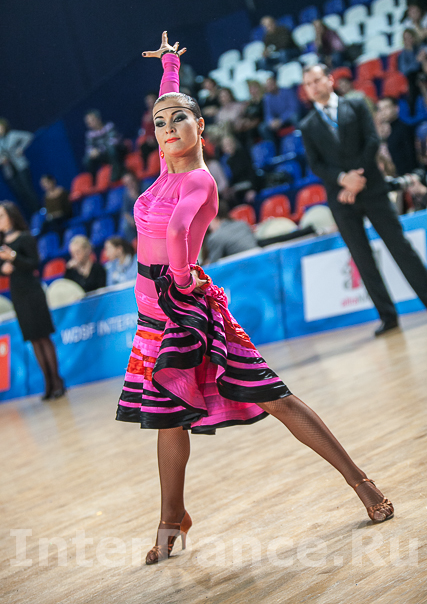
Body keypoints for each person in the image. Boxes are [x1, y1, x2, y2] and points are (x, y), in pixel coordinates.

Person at [116, 33, 394, 567]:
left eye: (179, 120)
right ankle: (172, 518)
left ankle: (361, 482)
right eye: (159, 123)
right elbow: (170, 103)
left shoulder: (198, 181)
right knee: (167, 417)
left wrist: (182, 278)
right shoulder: (166, 169)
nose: (167, 129)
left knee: (274, 397)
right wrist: (170, 65)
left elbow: (177, 233)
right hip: (152, 318)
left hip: (185, 310)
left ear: (201, 126)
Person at [300, 64, 427, 336]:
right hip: (342, 199)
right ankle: (387, 316)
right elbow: (316, 165)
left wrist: (355, 178)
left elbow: (371, 141)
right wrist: (343, 179)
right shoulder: (307, 125)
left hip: (371, 188)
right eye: (308, 84)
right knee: (362, 258)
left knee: (400, 246)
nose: (314, 87)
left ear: (329, 79)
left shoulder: (356, 105)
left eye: (317, 80)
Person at [0, 201, 65, 400]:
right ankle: (47, 383)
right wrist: (4, 268)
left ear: (11, 216)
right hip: (18, 293)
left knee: (44, 336)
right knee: (33, 339)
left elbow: (34, 263)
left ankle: (57, 381)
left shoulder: (25, 237)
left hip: (32, 291)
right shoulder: (2, 242)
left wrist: (14, 257)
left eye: (1, 215)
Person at [0, 118, 39, 216]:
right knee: (21, 194)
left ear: (4, 126)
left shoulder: (12, 135)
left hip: (20, 166)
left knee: (28, 190)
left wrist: (21, 148)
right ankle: (32, 215)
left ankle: (39, 212)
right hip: (9, 171)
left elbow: (28, 136)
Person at [376, 97, 418, 176]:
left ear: (396, 108)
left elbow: (411, 157)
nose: (383, 112)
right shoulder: (380, 133)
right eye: (380, 109)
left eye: (386, 108)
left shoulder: (404, 129)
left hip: (405, 176)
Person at [83, 109, 125, 183]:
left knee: (111, 149)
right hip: (104, 155)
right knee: (87, 160)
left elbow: (113, 142)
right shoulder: (90, 134)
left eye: (91, 121)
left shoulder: (109, 126)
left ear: (98, 119)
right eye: (88, 122)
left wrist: (99, 150)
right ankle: (94, 180)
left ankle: (117, 174)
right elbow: (89, 148)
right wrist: (92, 152)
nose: (89, 124)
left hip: (118, 151)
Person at [261, 76, 300, 149]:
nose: (270, 87)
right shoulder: (267, 98)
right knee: (263, 128)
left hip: (288, 118)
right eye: (267, 86)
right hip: (277, 122)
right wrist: (271, 121)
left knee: (295, 117)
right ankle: (275, 149)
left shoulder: (287, 91)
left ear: (275, 82)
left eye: (271, 84)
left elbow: (293, 108)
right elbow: (268, 114)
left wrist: (281, 120)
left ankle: (301, 141)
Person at [137, 93, 159, 170]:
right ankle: (146, 169)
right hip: (150, 139)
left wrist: (154, 137)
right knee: (143, 147)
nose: (149, 103)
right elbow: (145, 130)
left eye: (151, 100)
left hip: (159, 137)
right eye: (148, 101)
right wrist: (148, 138)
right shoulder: (146, 115)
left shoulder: (161, 112)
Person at [119, 170, 140, 242]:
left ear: (135, 180)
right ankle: (134, 243)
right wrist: (131, 220)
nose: (130, 185)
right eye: (127, 184)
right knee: (125, 225)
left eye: (131, 182)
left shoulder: (145, 187)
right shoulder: (126, 194)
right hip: (136, 216)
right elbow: (125, 212)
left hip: (148, 213)